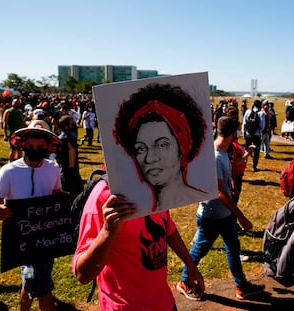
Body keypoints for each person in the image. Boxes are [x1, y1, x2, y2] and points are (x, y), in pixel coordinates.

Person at [73, 175, 204, 310]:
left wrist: (189, 263)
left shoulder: (154, 182)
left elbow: (167, 228)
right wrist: (107, 231)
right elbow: (82, 274)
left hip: (165, 303)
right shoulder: (104, 195)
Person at [177, 116, 265, 300]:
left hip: (225, 214)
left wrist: (242, 159)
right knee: (199, 250)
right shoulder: (215, 156)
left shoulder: (223, 152)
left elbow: (226, 172)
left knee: (233, 249)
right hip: (211, 215)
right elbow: (218, 192)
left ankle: (242, 287)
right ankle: (184, 281)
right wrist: (240, 215)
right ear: (233, 133)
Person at [0, 119, 61, 311]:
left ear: (47, 147)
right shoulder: (9, 171)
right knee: (42, 286)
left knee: (33, 280)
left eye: (39, 147)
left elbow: (56, 195)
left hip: (46, 236)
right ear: (23, 145)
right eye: (30, 147)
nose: (35, 150)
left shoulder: (53, 169)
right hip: (22, 238)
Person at [113, 83, 208, 212]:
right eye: (141, 149)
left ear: (183, 148)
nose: (150, 159)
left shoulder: (204, 198)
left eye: (162, 145)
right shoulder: (142, 210)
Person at [56, 115, 83, 200]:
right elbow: (56, 159)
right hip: (66, 173)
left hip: (74, 172)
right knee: (69, 197)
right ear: (66, 126)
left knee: (79, 196)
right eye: (71, 123)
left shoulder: (71, 137)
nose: (74, 124)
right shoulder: (61, 140)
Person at [242, 100, 266, 172]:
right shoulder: (261, 113)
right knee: (257, 151)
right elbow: (262, 126)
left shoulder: (248, 112)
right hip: (257, 135)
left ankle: (244, 164)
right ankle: (254, 166)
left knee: (246, 149)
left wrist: (244, 133)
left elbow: (244, 123)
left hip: (248, 134)